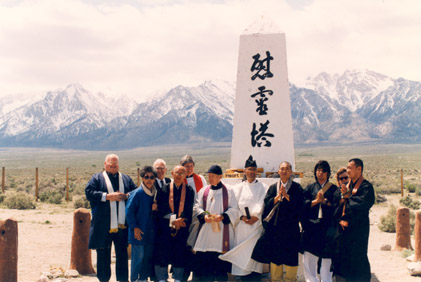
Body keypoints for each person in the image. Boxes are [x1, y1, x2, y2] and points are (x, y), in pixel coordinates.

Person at [85, 154, 137, 282]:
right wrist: (107, 197)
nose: (113, 167)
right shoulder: (97, 178)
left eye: (115, 165)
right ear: (105, 164)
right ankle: (103, 279)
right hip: (103, 225)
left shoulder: (125, 179)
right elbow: (89, 193)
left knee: (122, 255)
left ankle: (123, 280)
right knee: (103, 255)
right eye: (111, 165)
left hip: (122, 226)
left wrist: (126, 196)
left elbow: (135, 192)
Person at [252, 161, 304, 282]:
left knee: (291, 259)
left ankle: (291, 279)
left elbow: (300, 206)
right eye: (282, 169)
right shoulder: (273, 188)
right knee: (276, 259)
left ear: (291, 172)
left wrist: (287, 197)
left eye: (287, 169)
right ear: (278, 171)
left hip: (291, 230)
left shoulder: (297, 188)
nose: (284, 171)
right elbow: (267, 204)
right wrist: (276, 198)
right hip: (276, 230)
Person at [219, 155, 267, 280]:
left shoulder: (263, 188)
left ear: (257, 171)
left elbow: (265, 205)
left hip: (256, 227)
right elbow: (233, 206)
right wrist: (241, 217)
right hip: (241, 226)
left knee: (254, 257)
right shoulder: (238, 188)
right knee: (241, 254)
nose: (251, 172)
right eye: (249, 169)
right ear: (245, 171)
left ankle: (255, 277)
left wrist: (256, 217)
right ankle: (240, 277)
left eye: (254, 169)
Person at [193, 165, 240, 282]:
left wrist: (223, 216)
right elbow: (197, 207)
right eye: (209, 176)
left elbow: (234, 209)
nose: (210, 179)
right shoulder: (204, 191)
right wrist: (204, 216)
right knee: (206, 260)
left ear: (220, 176)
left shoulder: (229, 191)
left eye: (213, 176)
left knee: (220, 264)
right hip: (207, 230)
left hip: (222, 230)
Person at [332, 158, 375, 282]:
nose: (347, 170)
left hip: (358, 231)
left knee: (358, 258)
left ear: (359, 169)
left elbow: (362, 204)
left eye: (350, 168)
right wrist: (342, 197)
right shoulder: (345, 186)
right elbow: (336, 202)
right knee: (341, 259)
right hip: (342, 230)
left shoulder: (366, 187)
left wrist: (347, 197)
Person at [153, 165, 195, 282]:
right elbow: (161, 209)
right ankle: (162, 278)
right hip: (165, 228)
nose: (179, 175)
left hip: (181, 228)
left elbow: (188, 209)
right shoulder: (164, 189)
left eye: (182, 173)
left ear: (186, 175)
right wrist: (173, 220)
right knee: (162, 252)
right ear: (172, 173)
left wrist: (182, 220)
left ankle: (177, 278)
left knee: (179, 252)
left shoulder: (189, 191)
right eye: (177, 173)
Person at [301, 161, 340, 282]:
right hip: (312, 226)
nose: (320, 173)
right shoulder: (310, 188)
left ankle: (326, 280)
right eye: (318, 170)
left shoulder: (334, 189)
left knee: (327, 257)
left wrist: (325, 202)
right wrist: (316, 201)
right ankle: (311, 280)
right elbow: (302, 204)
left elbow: (336, 206)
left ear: (327, 173)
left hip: (327, 227)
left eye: (323, 171)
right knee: (309, 256)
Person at [126, 166, 157, 282]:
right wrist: (134, 228)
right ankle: (134, 279)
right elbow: (129, 211)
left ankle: (143, 279)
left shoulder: (154, 193)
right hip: (138, 232)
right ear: (142, 178)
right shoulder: (137, 193)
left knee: (146, 258)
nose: (149, 179)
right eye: (146, 177)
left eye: (152, 177)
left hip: (149, 232)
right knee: (137, 259)